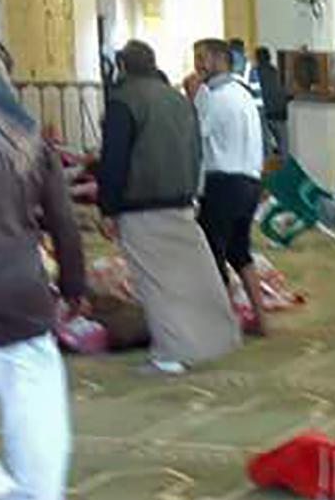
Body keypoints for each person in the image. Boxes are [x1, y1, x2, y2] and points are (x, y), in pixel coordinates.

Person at [98, 40, 241, 372]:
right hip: (180, 201)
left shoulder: (124, 101)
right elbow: (196, 151)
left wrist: (108, 207)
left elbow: (114, 159)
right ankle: (208, 340)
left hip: (140, 204)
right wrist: (193, 194)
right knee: (188, 278)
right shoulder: (178, 100)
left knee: (156, 283)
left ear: (122, 67)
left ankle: (169, 354)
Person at [0, 36, 86, 500]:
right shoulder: (30, 138)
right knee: (34, 402)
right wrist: (74, 285)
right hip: (20, 287)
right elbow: (63, 222)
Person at [194, 38, 268, 338]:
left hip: (222, 182)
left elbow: (196, 135)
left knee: (211, 253)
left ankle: (223, 325)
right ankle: (261, 319)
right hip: (249, 180)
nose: (197, 65)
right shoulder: (244, 93)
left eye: (201, 58)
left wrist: (193, 98)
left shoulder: (212, 95)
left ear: (217, 60)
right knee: (240, 252)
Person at [253, 46, 290, 156]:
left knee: (266, 146)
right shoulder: (278, 72)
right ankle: (284, 168)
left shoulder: (255, 73)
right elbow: (288, 92)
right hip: (280, 112)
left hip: (264, 113)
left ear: (257, 58)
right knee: (283, 145)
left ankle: (270, 168)